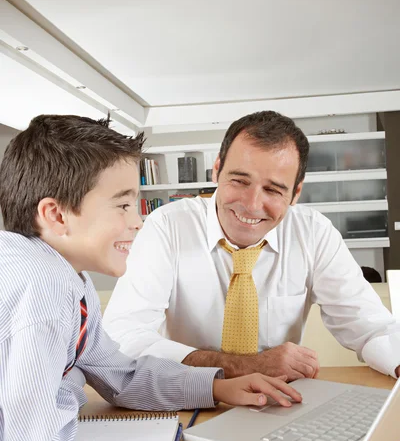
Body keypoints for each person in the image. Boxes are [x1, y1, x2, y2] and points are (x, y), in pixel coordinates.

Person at [0, 114, 302, 441]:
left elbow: (121, 377)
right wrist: (73, 375)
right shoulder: (41, 285)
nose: (138, 221)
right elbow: (38, 437)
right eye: (123, 205)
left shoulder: (70, 283)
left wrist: (218, 387)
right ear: (56, 215)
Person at [103, 111, 400, 380]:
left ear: (295, 193)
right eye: (240, 181)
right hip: (189, 395)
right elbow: (122, 335)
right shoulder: (167, 226)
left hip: (277, 402)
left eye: (273, 189)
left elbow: (371, 326)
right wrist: (243, 367)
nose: (252, 205)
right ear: (217, 170)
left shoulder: (314, 233)